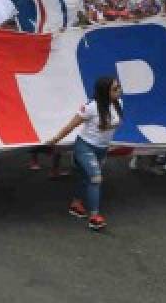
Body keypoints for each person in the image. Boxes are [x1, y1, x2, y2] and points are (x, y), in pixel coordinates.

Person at [42, 75, 124, 231]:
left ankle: (76, 204)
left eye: (119, 87)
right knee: (96, 178)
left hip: (102, 148)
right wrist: (54, 139)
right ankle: (94, 217)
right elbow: (70, 126)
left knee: (85, 177)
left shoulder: (119, 103)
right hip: (85, 147)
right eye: (115, 89)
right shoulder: (91, 107)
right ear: (104, 91)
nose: (119, 91)